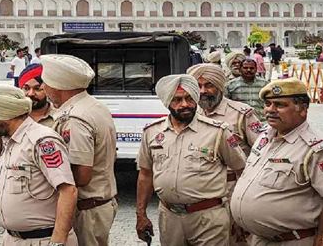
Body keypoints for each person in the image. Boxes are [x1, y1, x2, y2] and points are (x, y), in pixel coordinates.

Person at [136, 74, 247, 246]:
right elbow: (145, 174)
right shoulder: (152, 132)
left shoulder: (217, 132)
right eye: (177, 100)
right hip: (169, 217)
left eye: (189, 98)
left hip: (209, 218)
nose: (185, 104)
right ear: (167, 102)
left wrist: (241, 217)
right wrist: (141, 215)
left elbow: (242, 171)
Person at [0, 84, 78, 246]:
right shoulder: (9, 141)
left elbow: (68, 190)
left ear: (3, 113)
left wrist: (58, 241)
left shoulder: (42, 141)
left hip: (42, 240)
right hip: (13, 239)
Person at [231, 78, 323, 246]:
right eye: (267, 104)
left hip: (292, 241)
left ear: (303, 109)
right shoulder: (264, 135)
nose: (270, 110)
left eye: (280, 105)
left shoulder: (314, 148)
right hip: (257, 239)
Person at [42, 54, 117, 246]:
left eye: (45, 83)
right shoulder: (94, 106)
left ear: (59, 86)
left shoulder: (75, 119)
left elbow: (82, 175)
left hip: (85, 211)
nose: (44, 88)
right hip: (97, 207)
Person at [187, 63, 264, 245]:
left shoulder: (241, 113)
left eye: (209, 85)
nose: (203, 91)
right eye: (198, 86)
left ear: (220, 86)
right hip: (198, 194)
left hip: (232, 192)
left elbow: (262, 154)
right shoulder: (189, 113)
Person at [0, 64, 55, 216]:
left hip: (48, 208)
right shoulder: (8, 121)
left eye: (38, 88)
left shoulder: (59, 120)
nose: (31, 93)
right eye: (26, 88)